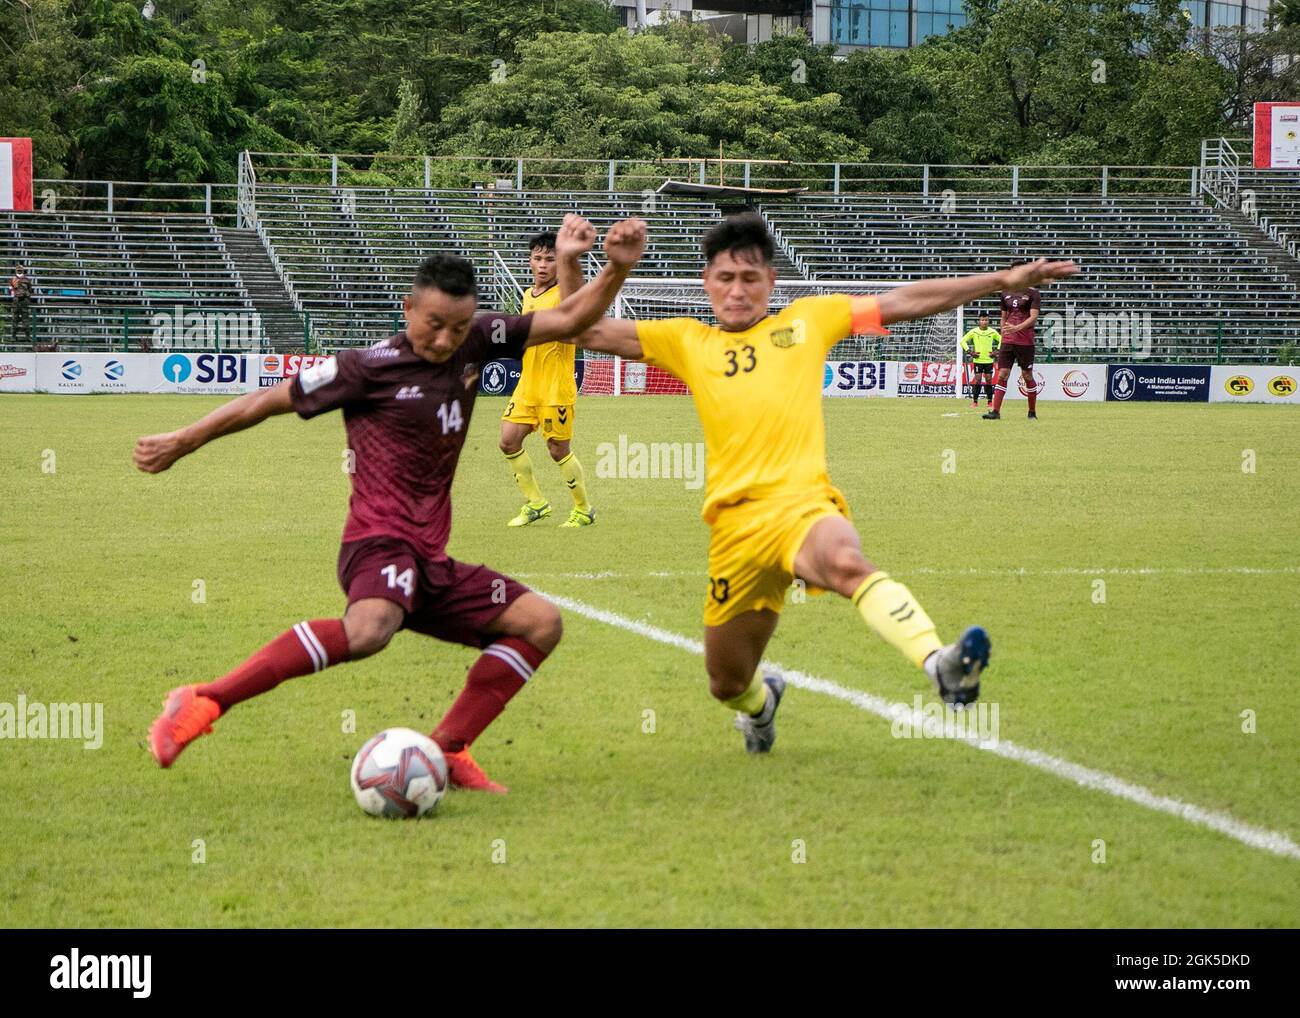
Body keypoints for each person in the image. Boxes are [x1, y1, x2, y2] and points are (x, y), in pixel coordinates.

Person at [136, 215, 647, 792]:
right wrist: (183, 440)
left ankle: (451, 749)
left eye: (457, 329)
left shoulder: (480, 337)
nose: (445, 340)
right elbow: (266, 401)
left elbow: (572, 318)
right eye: (434, 326)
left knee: (539, 624)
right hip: (377, 544)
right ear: (408, 309)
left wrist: (618, 265)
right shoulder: (365, 368)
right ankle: (202, 700)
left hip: (429, 561)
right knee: (370, 629)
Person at [574, 213, 1076, 753]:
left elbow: (904, 300)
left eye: (750, 278)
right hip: (734, 533)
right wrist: (598, 266)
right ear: (706, 283)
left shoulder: (808, 321)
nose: (737, 290)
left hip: (802, 507)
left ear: (772, 282)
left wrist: (999, 281)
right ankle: (762, 707)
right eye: (725, 278)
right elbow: (583, 328)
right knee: (726, 682)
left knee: (845, 562)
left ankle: (941, 664)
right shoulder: (685, 340)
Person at [499, 229, 594, 528]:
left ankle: (583, 509)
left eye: (550, 260)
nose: (542, 265)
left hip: (556, 387)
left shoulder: (565, 294)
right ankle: (536, 503)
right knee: (508, 440)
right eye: (537, 259)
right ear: (530, 261)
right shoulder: (528, 295)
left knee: (557, 450)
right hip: (528, 385)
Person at [983, 279, 1041, 420]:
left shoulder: (1033, 293)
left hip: (1025, 342)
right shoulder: (1005, 293)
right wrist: (1004, 332)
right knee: (1003, 374)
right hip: (1008, 342)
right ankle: (995, 412)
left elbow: (1033, 317)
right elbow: (1003, 317)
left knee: (1027, 376)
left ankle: (1032, 412)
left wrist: (1017, 328)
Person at [961, 313, 1001, 407]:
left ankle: (990, 402)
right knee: (978, 380)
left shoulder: (992, 332)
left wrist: (997, 351)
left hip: (988, 361)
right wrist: (970, 352)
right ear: (979, 321)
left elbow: (1002, 340)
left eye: (986, 320)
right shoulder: (974, 331)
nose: (984, 322)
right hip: (978, 361)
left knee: (989, 380)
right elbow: (962, 341)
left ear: (988, 321)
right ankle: (975, 402)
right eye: (982, 320)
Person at [9, 264, 33, 345]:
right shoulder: (13, 279)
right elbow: (10, 290)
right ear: (16, 270)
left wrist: (27, 296)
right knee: (14, 319)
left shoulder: (27, 280)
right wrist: (13, 296)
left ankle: (27, 336)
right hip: (16, 301)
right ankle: (13, 336)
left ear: (23, 270)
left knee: (25, 320)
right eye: (18, 270)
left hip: (24, 301)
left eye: (20, 270)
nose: (19, 271)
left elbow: (30, 289)